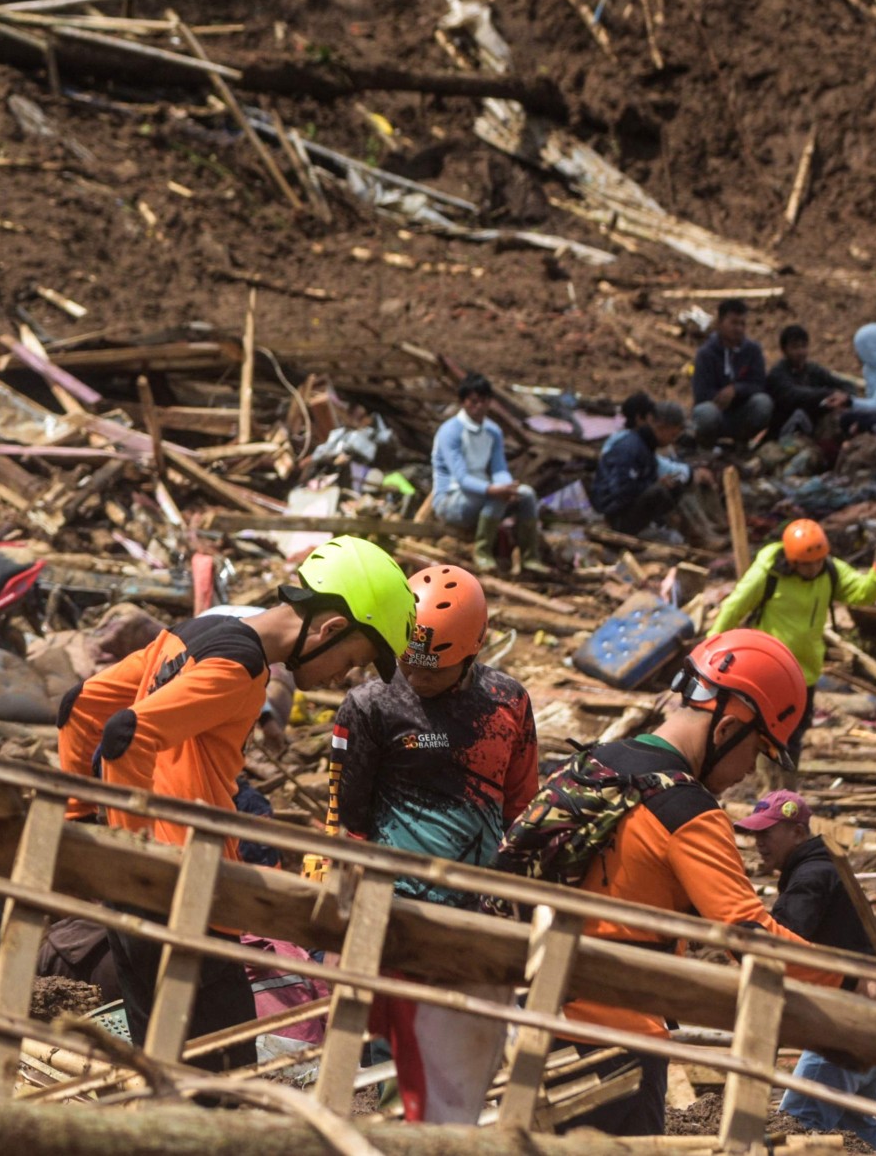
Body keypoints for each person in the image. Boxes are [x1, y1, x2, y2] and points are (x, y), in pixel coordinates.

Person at [58, 535, 417, 1071]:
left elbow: (80, 707)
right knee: (223, 1086)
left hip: (138, 904)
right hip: (187, 900)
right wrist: (129, 855)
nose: (343, 677)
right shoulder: (242, 669)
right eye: (353, 659)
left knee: (163, 1075)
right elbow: (126, 734)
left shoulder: (197, 633)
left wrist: (89, 828)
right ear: (330, 629)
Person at [536, 629, 837, 1135]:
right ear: (726, 730)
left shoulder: (597, 764)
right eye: (757, 751)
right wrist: (851, 982)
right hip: (620, 1045)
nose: (748, 772)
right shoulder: (689, 810)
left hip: (543, 1020)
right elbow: (749, 939)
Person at [329, 565, 539, 1123]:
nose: (415, 677)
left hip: (481, 911)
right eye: (408, 661)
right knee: (393, 1056)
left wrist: (524, 901)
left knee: (470, 1054)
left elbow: (523, 808)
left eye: (433, 669)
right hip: (395, 910)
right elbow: (347, 818)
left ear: (471, 653)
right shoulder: (370, 706)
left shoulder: (508, 703)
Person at [739, 789, 876, 1150]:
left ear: (798, 832)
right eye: (754, 833)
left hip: (843, 1022)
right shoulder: (823, 869)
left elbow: (781, 943)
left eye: (767, 832)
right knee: (856, 1127)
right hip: (873, 1017)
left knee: (798, 1125)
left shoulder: (811, 875)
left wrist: (748, 930)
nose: (758, 842)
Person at [711, 518, 876, 754]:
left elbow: (861, 592)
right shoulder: (769, 573)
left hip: (806, 671)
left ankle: (786, 782)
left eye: (817, 562)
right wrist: (712, 647)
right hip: (771, 670)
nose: (813, 569)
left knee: (797, 729)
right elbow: (734, 607)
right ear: (792, 561)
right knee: (766, 728)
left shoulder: (829, 570)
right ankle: (764, 778)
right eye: (806, 565)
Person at [429, 375, 548, 576]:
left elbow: (499, 468)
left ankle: (530, 557)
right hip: (451, 499)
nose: (479, 406)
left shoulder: (492, 431)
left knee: (526, 494)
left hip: (481, 495)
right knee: (496, 496)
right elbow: (462, 478)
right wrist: (494, 489)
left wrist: (507, 486)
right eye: (474, 401)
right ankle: (482, 552)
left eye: (484, 400)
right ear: (463, 402)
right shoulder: (450, 431)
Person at [591, 395, 709, 537]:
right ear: (661, 427)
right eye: (672, 435)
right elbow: (621, 491)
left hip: (626, 509)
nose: (672, 441)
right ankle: (693, 535)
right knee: (658, 492)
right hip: (615, 516)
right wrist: (653, 484)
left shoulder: (645, 447)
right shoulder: (630, 447)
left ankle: (698, 532)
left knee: (675, 485)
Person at [692, 298, 773, 447]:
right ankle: (707, 445)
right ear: (720, 323)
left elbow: (759, 384)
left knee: (763, 403)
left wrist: (736, 390)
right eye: (734, 323)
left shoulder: (752, 351)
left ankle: (741, 443)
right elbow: (700, 394)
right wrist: (720, 397)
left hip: (742, 412)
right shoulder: (706, 354)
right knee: (705, 412)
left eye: (742, 323)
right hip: (716, 412)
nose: (739, 329)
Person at [768, 325, 856, 439]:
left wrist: (845, 397)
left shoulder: (812, 369)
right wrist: (829, 394)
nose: (800, 352)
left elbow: (844, 384)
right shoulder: (777, 373)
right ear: (784, 350)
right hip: (786, 430)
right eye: (795, 347)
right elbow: (795, 395)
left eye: (803, 346)